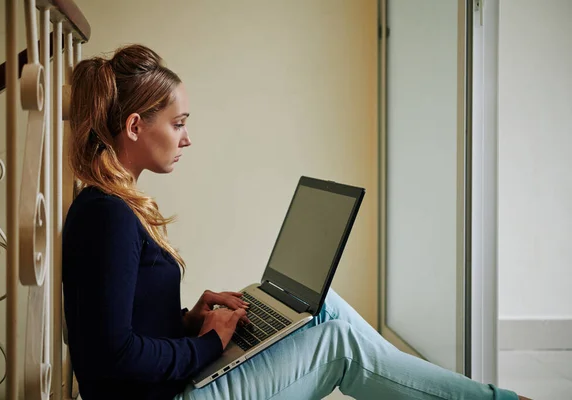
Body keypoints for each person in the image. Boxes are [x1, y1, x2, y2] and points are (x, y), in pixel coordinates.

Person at [62, 44, 527, 400]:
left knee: (325, 308)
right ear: (136, 126)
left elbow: (118, 327)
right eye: (178, 122)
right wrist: (208, 345)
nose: (187, 138)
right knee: (339, 344)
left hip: (173, 383)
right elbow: (111, 358)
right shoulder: (108, 214)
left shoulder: (108, 206)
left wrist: (188, 321)